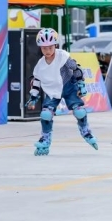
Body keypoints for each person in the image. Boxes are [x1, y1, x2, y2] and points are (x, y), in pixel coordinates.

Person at [26, 28, 98, 156]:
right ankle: (45, 138)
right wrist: (33, 95)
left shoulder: (63, 56)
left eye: (50, 47)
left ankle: (85, 131)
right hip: (52, 90)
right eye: (44, 48)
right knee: (46, 114)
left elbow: (76, 69)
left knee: (79, 111)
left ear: (55, 45)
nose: (47, 51)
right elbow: (36, 79)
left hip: (68, 87)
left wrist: (81, 84)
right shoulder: (40, 65)